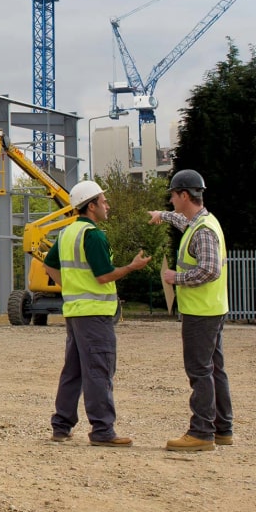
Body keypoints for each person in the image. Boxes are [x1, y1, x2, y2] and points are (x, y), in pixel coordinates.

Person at [44, 180, 151, 447]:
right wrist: (132, 267)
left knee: (74, 371)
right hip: (95, 315)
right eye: (103, 201)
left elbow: (49, 266)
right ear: (91, 206)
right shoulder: (93, 235)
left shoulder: (68, 233)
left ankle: (61, 425)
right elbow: (104, 276)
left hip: (76, 312)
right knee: (99, 370)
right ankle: (102, 430)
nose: (107, 206)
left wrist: (71, 286)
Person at [148, 169, 232, 452]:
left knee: (199, 370)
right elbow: (183, 222)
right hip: (212, 308)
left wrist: (176, 278)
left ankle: (201, 432)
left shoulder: (204, 231)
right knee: (214, 369)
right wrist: (163, 215)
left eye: (172, 195)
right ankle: (222, 429)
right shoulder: (201, 223)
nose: (171, 200)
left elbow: (208, 269)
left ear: (184, 195)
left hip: (201, 312)